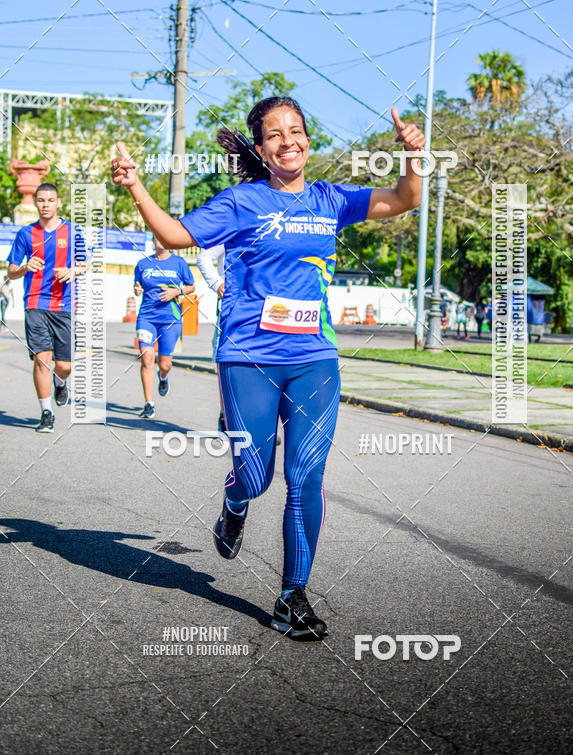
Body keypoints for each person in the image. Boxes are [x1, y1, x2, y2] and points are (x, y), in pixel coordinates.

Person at [112, 96, 424, 640]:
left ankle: (291, 595)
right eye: (275, 134)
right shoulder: (241, 202)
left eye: (297, 130)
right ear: (261, 149)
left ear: (308, 139)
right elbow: (174, 237)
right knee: (256, 478)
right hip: (248, 356)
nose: (288, 141)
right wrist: (137, 185)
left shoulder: (330, 199)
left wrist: (415, 155)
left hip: (315, 360)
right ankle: (234, 500)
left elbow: (402, 200)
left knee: (305, 476)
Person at [6, 183, 86, 432]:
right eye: (41, 200)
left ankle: (60, 382)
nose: (45, 204)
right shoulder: (25, 234)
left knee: (64, 365)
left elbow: (85, 264)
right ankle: (46, 412)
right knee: (41, 360)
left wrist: (72, 271)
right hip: (35, 303)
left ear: (58, 202)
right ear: (36, 203)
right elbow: (11, 271)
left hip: (64, 303)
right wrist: (24, 267)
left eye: (50, 200)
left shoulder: (73, 232)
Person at [133, 235, 195, 418]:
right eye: (157, 237)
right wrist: (136, 289)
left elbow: (192, 286)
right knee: (146, 357)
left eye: (164, 237)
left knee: (165, 363)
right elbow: (137, 285)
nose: (161, 241)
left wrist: (177, 291)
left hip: (171, 319)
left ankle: (163, 377)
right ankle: (148, 403)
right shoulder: (143, 263)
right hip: (147, 317)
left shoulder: (179, 263)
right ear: (153, 240)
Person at [196, 244, 226, 431]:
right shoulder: (234, 224)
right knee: (226, 367)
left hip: (262, 312)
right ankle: (225, 416)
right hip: (230, 314)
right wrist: (217, 283)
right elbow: (203, 257)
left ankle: (264, 424)